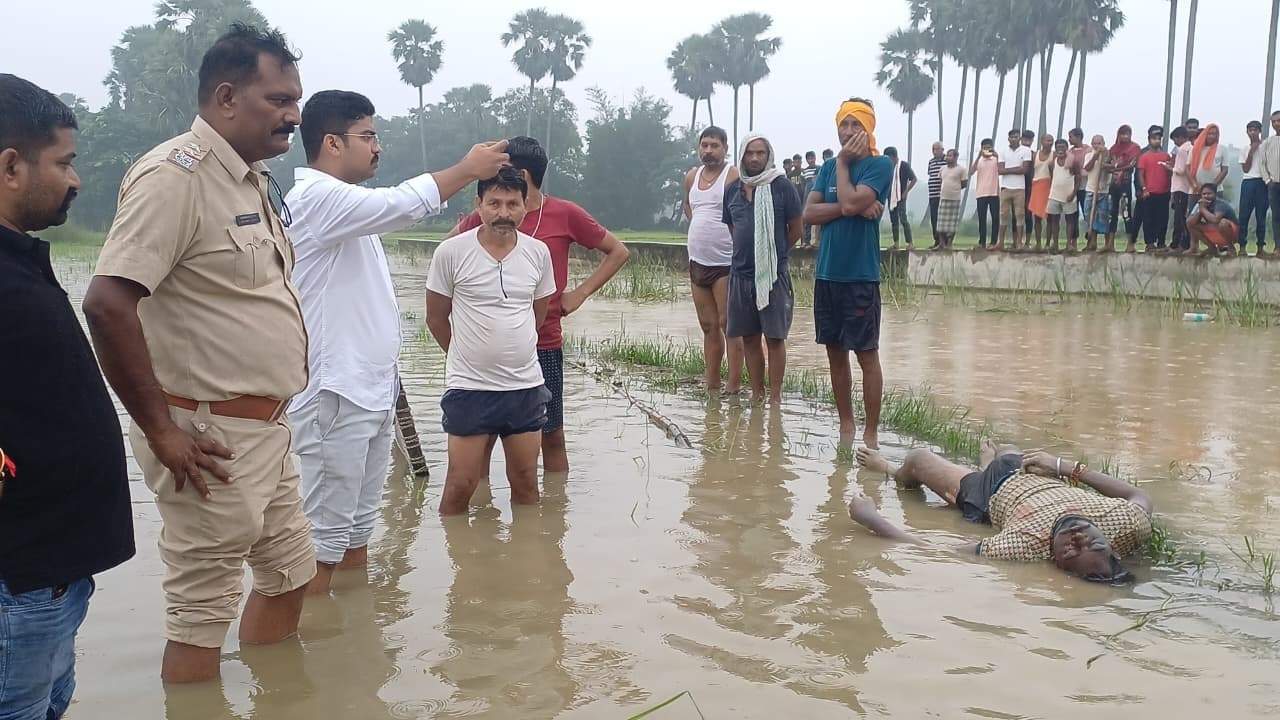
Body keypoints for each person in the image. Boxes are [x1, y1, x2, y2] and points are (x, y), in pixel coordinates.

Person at [82, 23, 315, 683]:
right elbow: (106, 303)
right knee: (202, 610)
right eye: (277, 99)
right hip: (207, 437)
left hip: (269, 429)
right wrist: (161, 430)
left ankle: (282, 697)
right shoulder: (174, 176)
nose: (293, 113)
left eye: (296, 98)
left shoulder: (252, 180)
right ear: (225, 97)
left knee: (291, 573)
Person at [284, 91, 509, 595]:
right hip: (333, 394)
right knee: (322, 540)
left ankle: (353, 642)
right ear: (332, 143)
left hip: (369, 393)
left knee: (358, 530)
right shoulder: (318, 198)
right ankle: (310, 652)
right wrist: (467, 169)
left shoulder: (347, 208)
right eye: (368, 136)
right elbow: (401, 203)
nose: (377, 147)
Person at [0, 74, 135, 719]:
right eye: (63, 162)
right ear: (10, 167)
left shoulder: (17, 265)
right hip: (16, 582)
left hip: (49, 576)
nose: (75, 180)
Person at [450, 136, 630, 473]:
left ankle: (551, 514)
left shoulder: (564, 214)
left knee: (551, 433)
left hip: (543, 343)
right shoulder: (488, 214)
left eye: (500, 166)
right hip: (487, 347)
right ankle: (482, 510)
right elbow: (449, 252)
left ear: (521, 173)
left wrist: (579, 294)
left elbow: (618, 252)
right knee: (482, 439)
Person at [425, 167, 556, 515]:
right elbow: (436, 317)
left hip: (525, 387)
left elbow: (537, 314)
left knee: (527, 482)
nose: (503, 213)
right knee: (460, 485)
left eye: (512, 204)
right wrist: (465, 355)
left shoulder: (538, 253)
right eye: (494, 203)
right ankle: (462, 564)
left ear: (525, 206)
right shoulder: (450, 253)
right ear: (478, 204)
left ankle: (526, 560)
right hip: (470, 389)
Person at [849, 444, 1152, 584]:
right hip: (1037, 471)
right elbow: (1138, 495)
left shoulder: (1024, 546)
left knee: (916, 459)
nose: (1077, 537)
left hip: (989, 493)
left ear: (1059, 565)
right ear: (1111, 546)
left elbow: (936, 549)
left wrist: (872, 519)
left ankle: (890, 469)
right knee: (1008, 448)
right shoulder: (1124, 523)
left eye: (1073, 551)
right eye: (1093, 543)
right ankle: (986, 463)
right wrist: (1063, 466)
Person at [802, 98, 892, 448]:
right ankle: (846, 425)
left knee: (866, 354)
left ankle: (870, 432)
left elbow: (851, 202)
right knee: (834, 353)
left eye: (857, 125)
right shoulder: (826, 167)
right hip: (827, 276)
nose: (850, 132)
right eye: (845, 125)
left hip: (860, 276)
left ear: (869, 129)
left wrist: (844, 175)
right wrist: (849, 205)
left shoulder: (880, 165)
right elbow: (808, 214)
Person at [723, 133, 802, 404]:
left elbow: (796, 229)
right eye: (750, 153)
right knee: (749, 338)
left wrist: (772, 257)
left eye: (761, 153)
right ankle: (758, 394)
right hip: (741, 275)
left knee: (775, 338)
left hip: (773, 277)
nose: (755, 158)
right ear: (742, 156)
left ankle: (776, 398)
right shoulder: (733, 190)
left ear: (769, 156)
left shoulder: (781, 187)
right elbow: (733, 228)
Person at [683, 126, 743, 394]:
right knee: (708, 326)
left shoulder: (733, 176)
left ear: (725, 148)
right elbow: (688, 206)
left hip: (725, 263)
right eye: (704, 145)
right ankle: (712, 384)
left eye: (714, 145)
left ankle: (733, 386)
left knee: (728, 325)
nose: (708, 150)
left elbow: (743, 213)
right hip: (697, 261)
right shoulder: (692, 177)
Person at [1136, 125, 1173, 252]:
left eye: (1158, 138)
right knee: (1148, 219)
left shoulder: (1166, 156)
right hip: (1149, 193)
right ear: (1149, 139)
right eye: (1154, 138)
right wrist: (1144, 189)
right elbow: (1140, 174)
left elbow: (1170, 173)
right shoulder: (1144, 156)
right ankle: (1150, 243)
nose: (1156, 140)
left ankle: (1161, 242)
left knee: (1163, 218)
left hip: (1164, 192)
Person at [996, 128, 1033, 251]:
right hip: (1005, 187)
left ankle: (1018, 243)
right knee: (1003, 215)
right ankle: (1000, 242)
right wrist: (1016, 169)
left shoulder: (1026, 151)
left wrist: (1008, 170)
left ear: (1020, 138)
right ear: (1008, 138)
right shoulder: (1003, 151)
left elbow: (1025, 170)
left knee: (1020, 215)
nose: (1013, 139)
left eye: (1016, 137)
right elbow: (1000, 170)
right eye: (1011, 137)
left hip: (1019, 188)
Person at [1106, 125, 1141, 253]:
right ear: (1118, 135)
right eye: (1123, 134)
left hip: (1125, 183)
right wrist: (1117, 166)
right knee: (1111, 213)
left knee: (1126, 212)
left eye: (1128, 134)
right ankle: (1110, 243)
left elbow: (1131, 165)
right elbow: (1106, 165)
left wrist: (1114, 167)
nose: (1125, 136)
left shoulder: (1135, 147)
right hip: (1113, 184)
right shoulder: (1113, 149)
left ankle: (1130, 244)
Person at [1239, 120, 1270, 257]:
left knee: (1261, 216)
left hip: (1262, 182)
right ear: (1247, 132)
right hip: (1248, 182)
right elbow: (1246, 169)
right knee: (1244, 215)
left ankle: (1260, 247)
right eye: (1250, 130)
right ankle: (1242, 246)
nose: (1253, 132)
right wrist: (1252, 151)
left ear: (1260, 131)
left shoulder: (1266, 146)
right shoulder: (1245, 149)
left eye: (1255, 130)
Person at [1081, 134, 1116, 252]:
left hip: (1104, 191)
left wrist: (1104, 163)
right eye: (1094, 143)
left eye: (1099, 143)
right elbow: (1087, 168)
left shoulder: (1109, 155)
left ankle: (1107, 244)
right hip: (1091, 190)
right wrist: (1095, 156)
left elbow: (1113, 168)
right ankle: (1092, 242)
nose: (1097, 146)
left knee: (1104, 217)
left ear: (1103, 143)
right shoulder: (1089, 155)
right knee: (1089, 216)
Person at [1045, 139, 1080, 254]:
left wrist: (1073, 193)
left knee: (1070, 220)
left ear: (1066, 148)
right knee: (1054, 220)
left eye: (1063, 147)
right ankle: (1055, 244)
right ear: (1056, 149)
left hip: (1069, 196)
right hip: (1054, 195)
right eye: (1058, 147)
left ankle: (1069, 244)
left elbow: (1078, 178)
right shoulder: (1052, 163)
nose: (1060, 149)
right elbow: (1052, 177)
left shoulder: (1073, 162)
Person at [1186, 182, 1240, 256]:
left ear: (1215, 194)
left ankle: (1231, 248)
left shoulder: (1220, 204)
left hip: (1232, 233)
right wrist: (1200, 210)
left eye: (1209, 193)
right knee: (1192, 225)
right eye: (1204, 194)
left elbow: (1215, 220)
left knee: (1222, 222)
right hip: (1214, 231)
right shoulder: (1200, 204)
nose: (1206, 196)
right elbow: (1189, 222)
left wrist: (1203, 209)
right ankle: (1212, 248)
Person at [884, 146, 916, 250]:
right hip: (891, 196)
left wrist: (906, 191)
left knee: (903, 219)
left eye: (888, 158)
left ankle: (910, 243)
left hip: (901, 196)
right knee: (894, 221)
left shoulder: (904, 165)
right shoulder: (888, 167)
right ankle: (896, 243)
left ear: (893, 157)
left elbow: (914, 179)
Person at [970, 138, 1000, 249]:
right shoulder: (980, 161)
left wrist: (996, 156)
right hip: (981, 193)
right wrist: (978, 156)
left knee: (995, 218)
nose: (987, 150)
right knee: (982, 219)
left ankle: (993, 241)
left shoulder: (995, 159)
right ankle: (982, 242)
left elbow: (1002, 169)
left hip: (994, 193)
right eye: (985, 148)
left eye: (989, 147)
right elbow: (971, 171)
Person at [935, 148, 966, 251]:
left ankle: (949, 244)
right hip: (943, 197)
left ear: (956, 157)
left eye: (950, 155)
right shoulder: (942, 168)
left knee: (952, 223)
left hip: (955, 199)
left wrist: (954, 188)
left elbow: (964, 184)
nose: (947, 157)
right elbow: (941, 181)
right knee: (940, 222)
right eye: (947, 155)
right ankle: (941, 243)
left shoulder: (961, 169)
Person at [1169, 126, 1194, 252]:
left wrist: (1169, 168)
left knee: (1179, 217)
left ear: (1181, 138)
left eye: (1175, 140)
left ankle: (1178, 243)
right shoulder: (1191, 148)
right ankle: (1185, 243)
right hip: (1187, 187)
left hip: (1180, 186)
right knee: (1184, 216)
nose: (1175, 143)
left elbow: (1180, 170)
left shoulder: (1182, 150)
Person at [1028, 133, 1054, 252]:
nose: (1050, 142)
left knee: (1050, 217)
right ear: (1042, 141)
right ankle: (1038, 243)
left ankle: (1048, 243)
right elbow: (1032, 171)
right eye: (1048, 140)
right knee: (1037, 216)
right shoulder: (1035, 155)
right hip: (1037, 185)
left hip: (1049, 185)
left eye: (1051, 140)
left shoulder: (1054, 155)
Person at [1262, 111, 1280, 257]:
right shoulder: (1268, 142)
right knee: (1276, 216)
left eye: (1279, 121)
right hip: (1274, 185)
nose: (1276, 124)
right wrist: (1268, 181)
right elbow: (1263, 164)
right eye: (1273, 121)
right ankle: (1278, 247)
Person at [925, 141, 945, 249]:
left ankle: (945, 241)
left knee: (943, 218)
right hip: (932, 195)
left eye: (938, 149)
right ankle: (937, 240)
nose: (935, 151)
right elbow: (930, 174)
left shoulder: (946, 161)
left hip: (942, 194)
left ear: (942, 150)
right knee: (934, 218)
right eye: (934, 149)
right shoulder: (931, 162)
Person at [799, 150, 821, 247]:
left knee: (819, 220)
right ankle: (806, 241)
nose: (811, 160)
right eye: (809, 159)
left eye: (812, 158)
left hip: (818, 196)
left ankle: (818, 241)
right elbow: (803, 185)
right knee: (806, 218)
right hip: (807, 196)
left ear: (815, 158)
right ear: (806, 160)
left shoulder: (820, 168)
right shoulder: (804, 171)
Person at [1068, 127, 1090, 208]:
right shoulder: (1069, 152)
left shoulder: (1088, 150)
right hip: (1072, 186)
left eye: (1071, 137)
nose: (1069, 139)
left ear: (1078, 137)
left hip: (1085, 186)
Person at [1021, 129, 1036, 237]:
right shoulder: (1016, 153)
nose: (1027, 142)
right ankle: (1017, 240)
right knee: (1017, 214)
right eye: (1025, 139)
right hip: (1017, 186)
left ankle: (1027, 240)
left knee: (1028, 214)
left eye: (1029, 140)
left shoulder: (1034, 155)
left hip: (1030, 186)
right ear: (1021, 139)